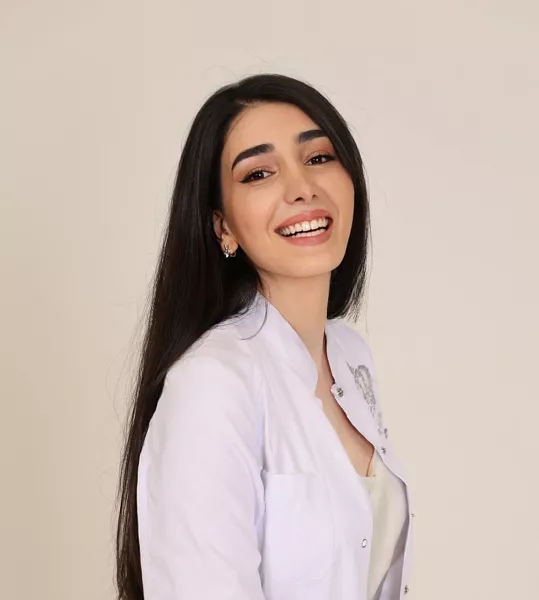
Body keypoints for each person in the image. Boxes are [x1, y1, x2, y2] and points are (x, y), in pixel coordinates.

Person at [115, 73, 413, 600]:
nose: (302, 188)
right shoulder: (212, 384)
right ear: (222, 226)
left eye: (318, 158)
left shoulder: (351, 356)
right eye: (258, 173)